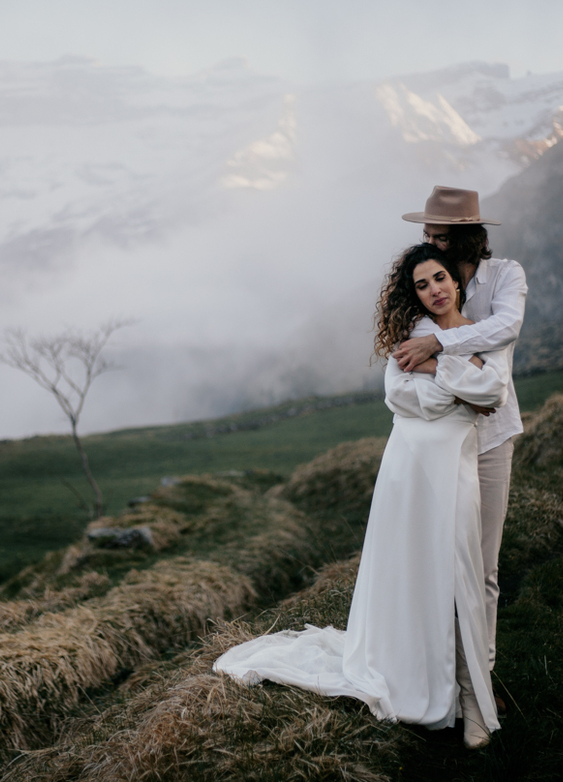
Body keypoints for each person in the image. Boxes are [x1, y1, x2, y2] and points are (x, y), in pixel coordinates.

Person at [213, 243, 509, 748]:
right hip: (408, 464)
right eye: (421, 284)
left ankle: (471, 698)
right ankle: (412, 672)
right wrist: (459, 379)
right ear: (412, 293)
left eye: (440, 278)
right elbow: (400, 396)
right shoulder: (411, 334)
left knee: (460, 568)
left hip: (451, 463)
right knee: (407, 568)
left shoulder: (483, 333)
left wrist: (438, 366)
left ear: (456, 282)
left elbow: (493, 393)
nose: (434, 289)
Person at [395, 186, 527, 706]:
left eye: (439, 237)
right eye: (427, 235)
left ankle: (478, 682)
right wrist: (430, 356)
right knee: (435, 562)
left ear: (468, 237)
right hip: (437, 441)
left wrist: (439, 344)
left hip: (491, 437)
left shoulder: (505, 276)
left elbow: (505, 328)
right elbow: (402, 363)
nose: (430, 244)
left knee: (484, 566)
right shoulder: (426, 285)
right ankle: (434, 673)